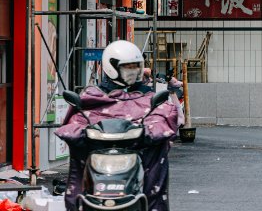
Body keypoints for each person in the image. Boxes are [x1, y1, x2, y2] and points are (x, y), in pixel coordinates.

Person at [56, 41, 179, 211]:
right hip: (98, 151)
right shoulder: (92, 96)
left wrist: (151, 129)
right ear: (112, 68)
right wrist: (79, 130)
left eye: (136, 67)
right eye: (128, 67)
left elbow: (163, 115)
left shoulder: (148, 96)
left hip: (138, 151)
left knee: (157, 151)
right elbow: (78, 119)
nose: (133, 71)